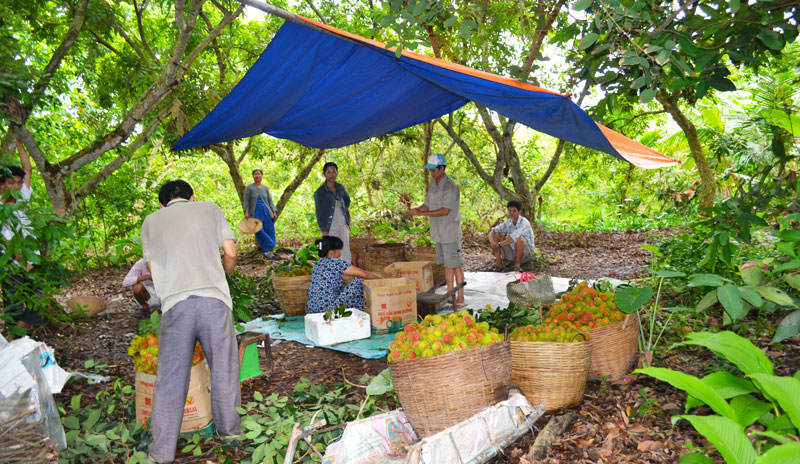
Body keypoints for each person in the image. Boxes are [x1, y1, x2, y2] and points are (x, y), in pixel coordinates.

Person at [141, 180, 240, 463]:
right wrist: (224, 277)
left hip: (175, 306)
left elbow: (151, 266)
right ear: (192, 197)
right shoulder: (209, 209)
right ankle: (231, 436)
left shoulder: (150, 222)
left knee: (170, 380)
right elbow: (230, 252)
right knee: (224, 370)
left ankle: (160, 454)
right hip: (213, 301)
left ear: (162, 204)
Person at [403, 153, 466, 307]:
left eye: (434, 170)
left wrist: (422, 213)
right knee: (447, 265)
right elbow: (427, 205)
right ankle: (450, 295)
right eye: (430, 170)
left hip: (449, 231)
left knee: (456, 264)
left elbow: (445, 210)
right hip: (438, 233)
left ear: (442, 168)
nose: (432, 173)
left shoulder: (451, 186)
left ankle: (461, 298)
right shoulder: (433, 185)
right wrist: (414, 211)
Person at [1, 139, 41, 328]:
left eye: (18, 182)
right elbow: (8, 239)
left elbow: (28, 169)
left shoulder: (22, 198)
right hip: (12, 262)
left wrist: (18, 141)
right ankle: (14, 343)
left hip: (31, 258)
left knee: (38, 300)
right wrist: (23, 262)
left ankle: (15, 337)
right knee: (13, 304)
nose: (16, 186)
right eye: (11, 182)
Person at [306, 235, 380, 314]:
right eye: (339, 250)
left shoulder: (317, 264)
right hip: (328, 309)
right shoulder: (336, 263)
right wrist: (382, 278)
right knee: (358, 281)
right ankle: (364, 313)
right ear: (331, 252)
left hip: (312, 309)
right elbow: (365, 274)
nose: (340, 253)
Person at [314, 162, 352, 263]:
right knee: (331, 250)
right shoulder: (320, 192)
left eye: (334, 172)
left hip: (342, 222)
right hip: (329, 225)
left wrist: (343, 213)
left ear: (337, 173)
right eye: (328, 172)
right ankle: (331, 275)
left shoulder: (340, 188)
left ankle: (346, 273)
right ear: (324, 174)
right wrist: (324, 230)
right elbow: (319, 213)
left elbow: (347, 201)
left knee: (344, 248)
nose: (331, 174)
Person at [489, 200, 536, 271]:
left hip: (526, 254)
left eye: (514, 211)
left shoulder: (524, 222)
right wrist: (493, 243)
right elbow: (492, 231)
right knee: (496, 234)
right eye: (510, 211)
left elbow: (513, 239)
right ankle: (498, 263)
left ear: (519, 212)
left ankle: (517, 265)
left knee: (519, 239)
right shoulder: (509, 222)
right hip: (513, 252)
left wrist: (498, 245)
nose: (511, 213)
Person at [243, 168, 278, 259]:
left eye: (259, 174)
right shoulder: (249, 188)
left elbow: (270, 200)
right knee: (258, 230)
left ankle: (269, 252)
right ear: (253, 176)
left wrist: (274, 211)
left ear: (261, 176)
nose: (257, 176)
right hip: (255, 212)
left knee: (269, 230)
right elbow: (246, 201)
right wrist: (246, 212)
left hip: (266, 211)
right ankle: (271, 245)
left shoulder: (265, 188)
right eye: (255, 174)